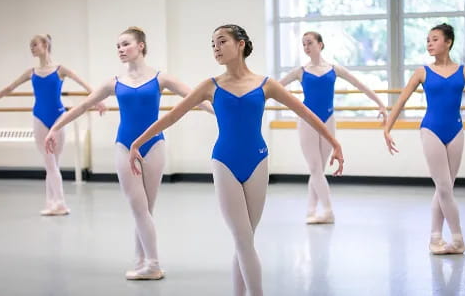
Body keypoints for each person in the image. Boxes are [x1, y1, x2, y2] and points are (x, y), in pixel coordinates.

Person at [128, 24, 344, 296]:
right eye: (213, 44)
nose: (216, 48)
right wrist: (137, 142)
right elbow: (172, 116)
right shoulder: (211, 85)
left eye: (222, 42)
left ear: (240, 44)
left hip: (258, 161)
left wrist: (334, 142)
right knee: (243, 239)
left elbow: (305, 112)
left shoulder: (266, 84)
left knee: (245, 241)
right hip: (225, 163)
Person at [45, 26, 212, 280]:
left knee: (146, 209)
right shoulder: (114, 82)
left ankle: (145, 261)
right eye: (118, 46)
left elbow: (195, 98)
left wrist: (222, 113)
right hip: (124, 147)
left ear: (141, 46)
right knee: (138, 207)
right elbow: (83, 106)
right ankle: (150, 263)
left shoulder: (161, 78)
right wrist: (55, 128)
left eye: (125, 44)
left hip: (154, 145)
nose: (121, 50)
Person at [384, 23, 465, 254]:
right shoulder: (422, 72)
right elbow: (401, 101)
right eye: (427, 40)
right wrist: (387, 128)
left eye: (434, 39)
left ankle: (435, 238)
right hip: (431, 130)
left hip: (456, 131)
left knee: (445, 187)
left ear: (448, 42)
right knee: (444, 187)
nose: (429, 44)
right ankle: (458, 239)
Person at [0, 34, 106, 216]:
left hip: (59, 118)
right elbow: (9, 88)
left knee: (53, 163)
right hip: (39, 118)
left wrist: (98, 100)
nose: (31, 48)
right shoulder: (31, 72)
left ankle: (55, 203)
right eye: (30, 45)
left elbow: (84, 84)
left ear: (45, 45)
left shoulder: (60, 70)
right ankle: (56, 203)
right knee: (50, 163)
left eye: (34, 44)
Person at [280, 31, 387, 224]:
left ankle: (311, 210)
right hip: (307, 122)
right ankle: (328, 211)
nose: (306, 47)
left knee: (318, 169)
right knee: (315, 168)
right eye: (303, 44)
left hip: (328, 120)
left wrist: (379, 102)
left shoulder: (334, 69)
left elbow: (360, 84)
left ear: (320, 44)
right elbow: (275, 87)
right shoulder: (300, 71)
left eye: (310, 43)